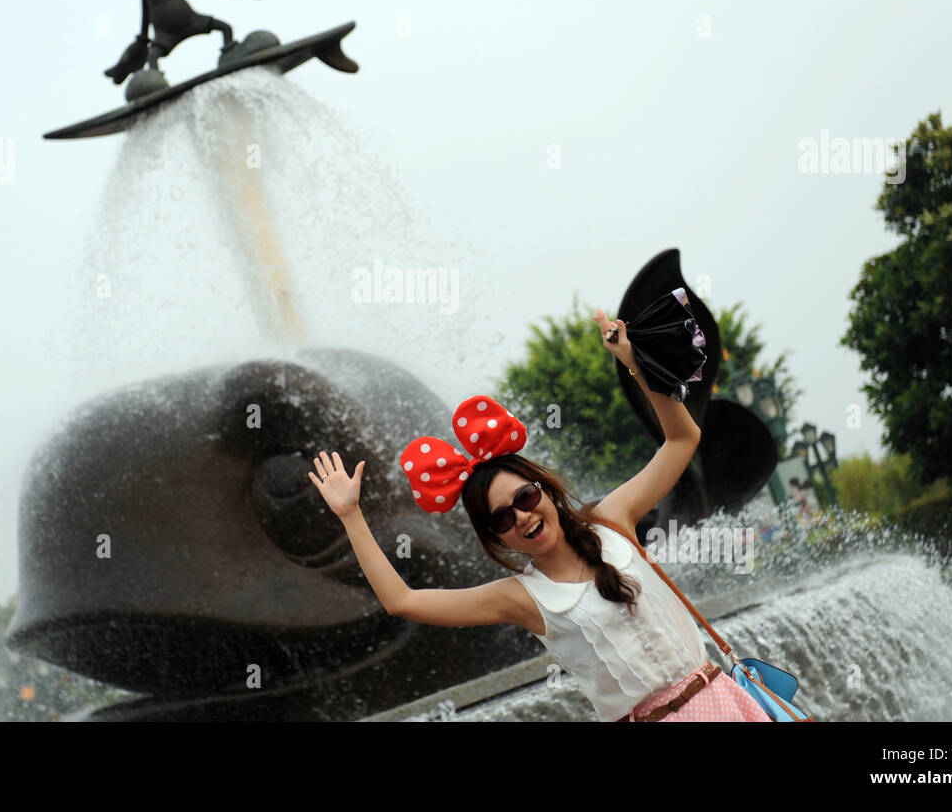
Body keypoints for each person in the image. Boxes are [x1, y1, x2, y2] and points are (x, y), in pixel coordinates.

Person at [308, 307, 772, 722]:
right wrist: (351, 516)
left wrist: (634, 363)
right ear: (496, 537)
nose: (522, 518)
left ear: (546, 490)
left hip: (725, 701)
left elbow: (681, 440)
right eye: (502, 519)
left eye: (526, 499)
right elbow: (403, 602)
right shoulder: (523, 598)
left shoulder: (612, 520)